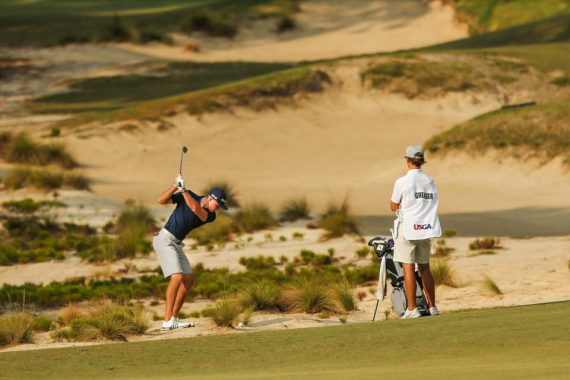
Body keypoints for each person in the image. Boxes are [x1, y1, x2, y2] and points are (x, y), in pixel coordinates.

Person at [153, 174, 228, 330]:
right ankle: (167, 321)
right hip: (165, 240)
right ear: (210, 198)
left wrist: (184, 190)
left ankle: (174, 318)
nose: (218, 208)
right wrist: (176, 186)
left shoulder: (210, 216)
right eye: (218, 204)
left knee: (188, 279)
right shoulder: (188, 195)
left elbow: (195, 209)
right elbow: (161, 200)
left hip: (177, 244)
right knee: (177, 276)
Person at [390, 145, 441, 319]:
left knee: (408, 267)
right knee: (425, 268)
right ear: (421, 161)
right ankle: (432, 306)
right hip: (425, 228)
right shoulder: (430, 180)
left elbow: (393, 206)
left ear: (408, 160)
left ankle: (412, 309)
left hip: (408, 229)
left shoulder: (402, 181)